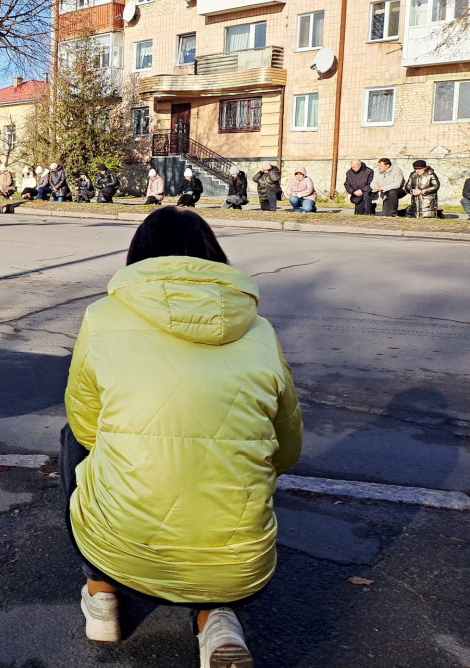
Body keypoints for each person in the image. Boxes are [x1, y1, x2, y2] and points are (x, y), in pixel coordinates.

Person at [62, 206, 301, 665]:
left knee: (73, 440)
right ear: (214, 257)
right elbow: (287, 446)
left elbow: (86, 424)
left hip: (122, 544)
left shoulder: (103, 316)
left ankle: (102, 594)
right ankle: (217, 618)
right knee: (234, 464)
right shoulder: (259, 329)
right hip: (242, 563)